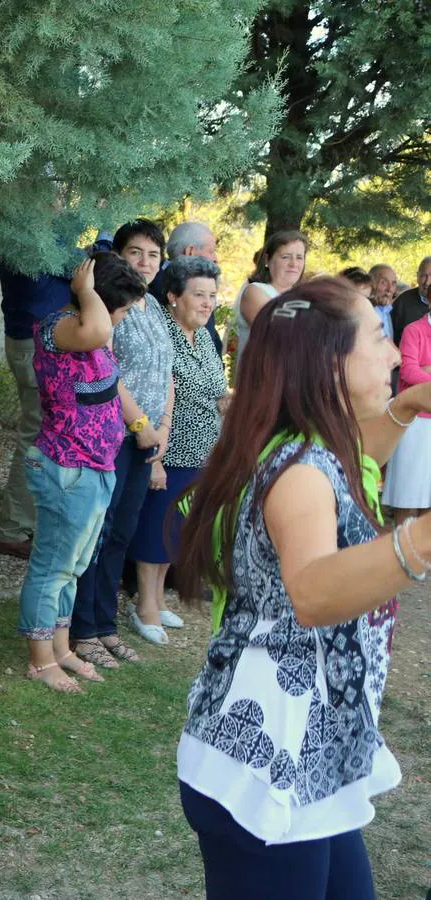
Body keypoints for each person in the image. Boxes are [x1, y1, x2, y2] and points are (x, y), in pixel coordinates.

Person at [175, 277, 423, 899]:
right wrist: (419, 541)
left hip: (310, 756)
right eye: (379, 338)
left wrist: (408, 403)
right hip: (266, 764)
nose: (394, 354)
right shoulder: (302, 470)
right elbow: (312, 592)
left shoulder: (312, 446)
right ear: (328, 362)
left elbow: (357, 458)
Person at [17, 253, 143, 692]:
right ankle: (39, 660)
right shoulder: (60, 329)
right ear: (99, 302)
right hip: (66, 467)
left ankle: (61, 648)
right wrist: (88, 292)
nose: (122, 320)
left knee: (72, 568)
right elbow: (99, 329)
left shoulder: (92, 332)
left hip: (95, 468)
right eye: (121, 309)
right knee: (52, 568)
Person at [71, 222, 175, 669]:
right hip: (114, 434)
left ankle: (105, 624)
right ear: (119, 254)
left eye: (154, 254)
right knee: (96, 531)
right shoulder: (109, 308)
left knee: (120, 533)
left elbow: (167, 369)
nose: (145, 262)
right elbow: (110, 371)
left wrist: (163, 428)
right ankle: (81, 629)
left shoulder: (152, 306)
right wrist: (140, 424)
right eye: (137, 252)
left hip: (148, 437)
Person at [128, 256, 227, 644]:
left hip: (201, 452)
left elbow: (215, 388)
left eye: (212, 296)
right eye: (199, 295)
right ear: (173, 296)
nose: (207, 303)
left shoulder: (203, 336)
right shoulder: (163, 331)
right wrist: (155, 460)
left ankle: (157, 598)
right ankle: (144, 606)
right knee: (155, 527)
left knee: (176, 530)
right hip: (168, 450)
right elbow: (156, 393)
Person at [0, 261, 73, 559]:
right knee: (35, 435)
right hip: (36, 341)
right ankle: (12, 528)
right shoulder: (33, 235)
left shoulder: (39, 230)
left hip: (33, 338)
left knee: (35, 431)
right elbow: (79, 265)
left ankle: (13, 517)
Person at [381, 305, 431, 519]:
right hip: (415, 422)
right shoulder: (414, 330)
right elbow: (409, 371)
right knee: (407, 498)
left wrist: (426, 370)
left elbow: (418, 372)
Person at [233, 230, 308, 358]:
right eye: (285, 257)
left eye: (299, 257)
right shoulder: (255, 291)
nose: (294, 264)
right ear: (267, 260)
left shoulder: (303, 297)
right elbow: (278, 335)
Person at [154, 221, 223, 354]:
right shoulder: (158, 287)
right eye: (211, 251)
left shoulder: (203, 282)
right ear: (190, 251)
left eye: (212, 296)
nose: (215, 258)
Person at [390, 255, 431, 347]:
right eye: (423, 275)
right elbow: (389, 338)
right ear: (417, 276)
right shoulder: (402, 301)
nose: (427, 282)